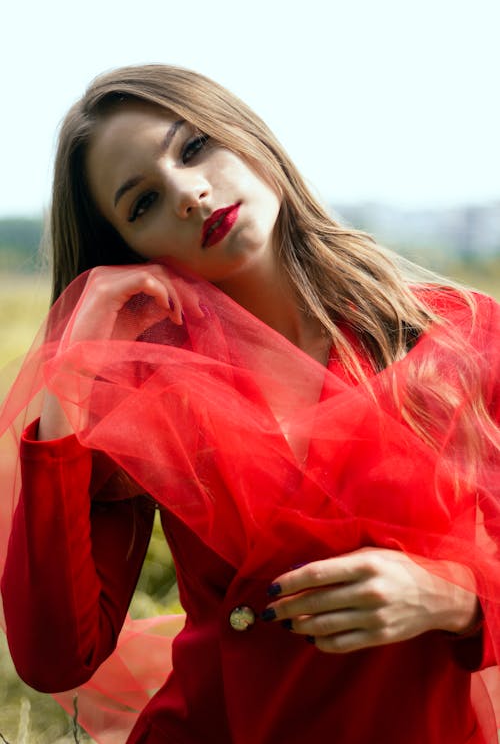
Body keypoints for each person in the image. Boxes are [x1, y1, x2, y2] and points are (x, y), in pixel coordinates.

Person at [0, 64, 498, 744]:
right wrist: (71, 380)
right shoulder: (151, 389)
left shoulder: (462, 340)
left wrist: (454, 598)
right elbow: (54, 656)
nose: (187, 192)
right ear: (128, 247)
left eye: (194, 146)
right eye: (142, 202)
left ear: (248, 137)